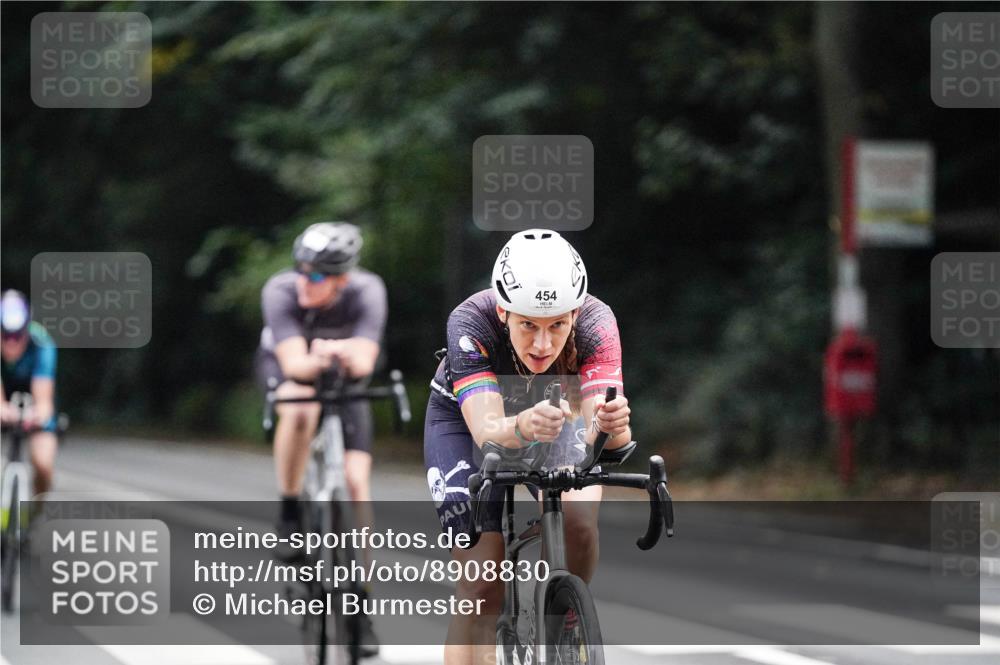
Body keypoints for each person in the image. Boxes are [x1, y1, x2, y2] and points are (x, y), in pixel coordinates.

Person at [423, 229, 631, 665]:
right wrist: (522, 424)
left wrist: (609, 426)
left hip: (555, 412)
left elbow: (605, 435)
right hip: (467, 420)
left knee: (578, 521)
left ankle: (563, 618)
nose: (542, 344)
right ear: (504, 311)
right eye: (528, 325)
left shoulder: (597, 324)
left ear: (575, 313)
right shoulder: (471, 321)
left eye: (557, 325)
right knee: (482, 584)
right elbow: (487, 431)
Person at [256, 221, 387, 654]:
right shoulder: (280, 291)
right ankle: (289, 512)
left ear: (341, 280)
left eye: (314, 275)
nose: (302, 281)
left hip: (344, 381)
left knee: (355, 482)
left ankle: (361, 606)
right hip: (288, 371)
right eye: (299, 269)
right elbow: (295, 365)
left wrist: (338, 356)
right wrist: (331, 353)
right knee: (301, 406)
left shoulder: (367, 290)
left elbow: (364, 362)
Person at [0, 290, 59, 498]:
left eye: (17, 336)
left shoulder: (42, 342)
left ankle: (37, 507)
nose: (11, 343)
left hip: (33, 400)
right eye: (5, 336)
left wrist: (38, 415)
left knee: (43, 464)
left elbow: (44, 400)